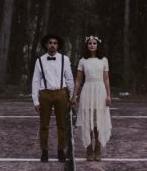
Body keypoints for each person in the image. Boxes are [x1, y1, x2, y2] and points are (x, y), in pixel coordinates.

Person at [31, 33, 74, 162]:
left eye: (55, 43)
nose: (52, 45)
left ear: (58, 45)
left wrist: (72, 97)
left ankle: (61, 150)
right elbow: (35, 81)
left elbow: (69, 78)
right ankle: (44, 151)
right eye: (50, 43)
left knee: (62, 124)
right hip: (45, 94)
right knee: (44, 124)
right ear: (46, 45)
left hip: (61, 93)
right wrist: (35, 100)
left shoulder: (65, 59)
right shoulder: (39, 61)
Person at [71, 35, 112, 161]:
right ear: (87, 45)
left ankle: (98, 148)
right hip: (87, 91)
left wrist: (109, 95)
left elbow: (106, 78)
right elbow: (78, 80)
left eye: (94, 43)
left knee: (98, 120)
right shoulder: (83, 60)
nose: (92, 45)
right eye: (90, 43)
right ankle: (89, 149)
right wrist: (74, 96)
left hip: (100, 91)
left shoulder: (104, 60)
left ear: (97, 45)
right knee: (88, 121)